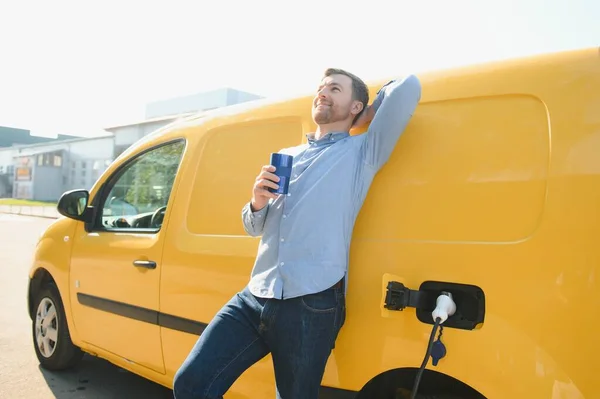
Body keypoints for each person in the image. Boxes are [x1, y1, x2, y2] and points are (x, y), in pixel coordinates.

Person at [173, 68, 422, 399]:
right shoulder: (287, 155)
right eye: (321, 88)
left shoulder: (362, 152)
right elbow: (254, 227)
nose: (323, 93)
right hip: (255, 295)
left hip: (311, 302)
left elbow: (409, 86)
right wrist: (257, 201)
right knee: (191, 383)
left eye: (335, 89)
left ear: (356, 107)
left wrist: (365, 116)